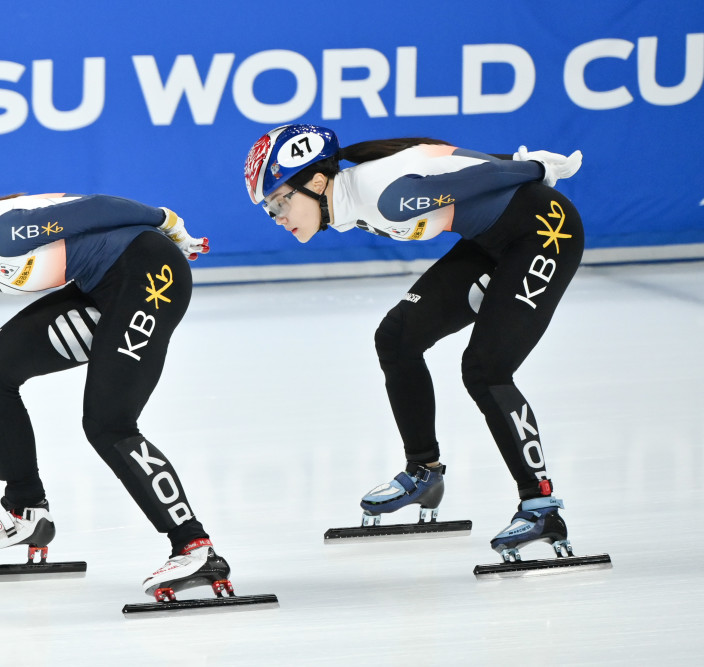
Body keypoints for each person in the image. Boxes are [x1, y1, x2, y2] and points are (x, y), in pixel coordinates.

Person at [0, 156, 228, 597]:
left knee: (109, 422)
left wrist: (168, 221)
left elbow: (95, 209)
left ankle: (194, 545)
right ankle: (27, 511)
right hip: (99, 288)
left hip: (148, 275)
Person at [243, 124, 585, 560]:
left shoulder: (385, 198)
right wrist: (509, 158)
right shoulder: (349, 197)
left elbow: (472, 180)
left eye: (279, 202)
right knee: (397, 338)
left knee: (486, 369)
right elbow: (446, 163)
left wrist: (531, 167)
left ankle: (540, 505)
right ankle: (424, 471)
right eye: (269, 210)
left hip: (544, 234)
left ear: (315, 182)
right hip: (491, 240)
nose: (278, 218)